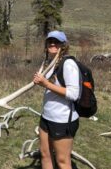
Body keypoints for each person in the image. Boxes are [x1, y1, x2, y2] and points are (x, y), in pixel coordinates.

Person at [33, 31, 80, 169]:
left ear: (63, 45)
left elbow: (73, 94)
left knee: (62, 161)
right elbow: (51, 86)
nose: (52, 44)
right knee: (45, 154)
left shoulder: (68, 64)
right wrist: (42, 82)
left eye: (57, 41)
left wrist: (46, 84)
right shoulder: (49, 63)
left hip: (63, 120)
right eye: (50, 41)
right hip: (47, 117)